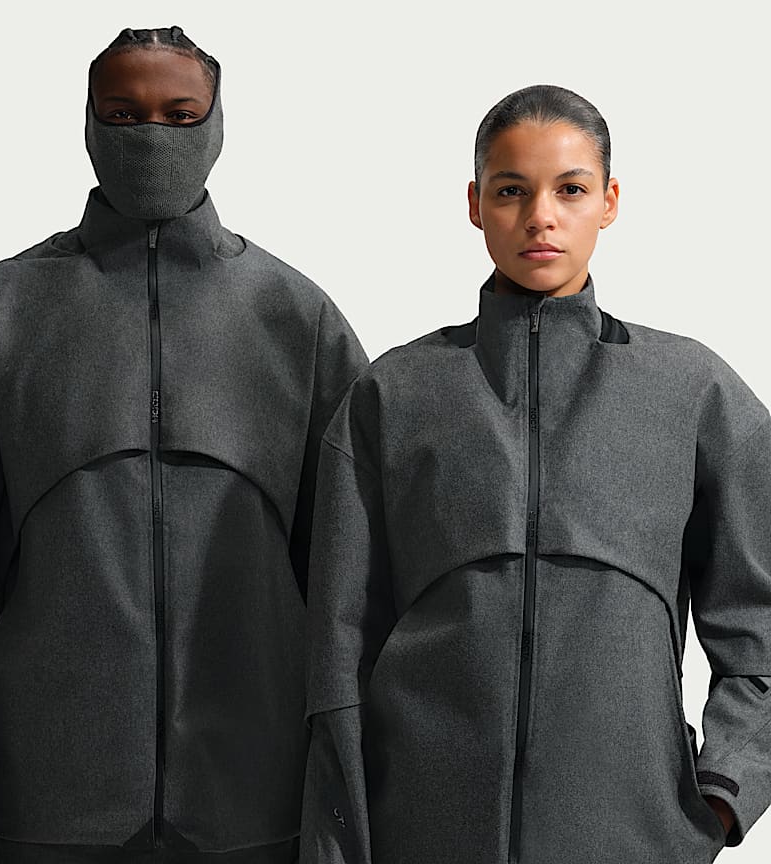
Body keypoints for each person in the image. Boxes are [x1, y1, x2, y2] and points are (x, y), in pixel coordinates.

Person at [0, 25, 367, 864]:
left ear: (218, 122)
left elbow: (354, 593)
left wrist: (344, 799)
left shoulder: (297, 321)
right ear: (87, 122)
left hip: (257, 801)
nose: (151, 136)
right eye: (123, 114)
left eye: (179, 114)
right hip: (49, 801)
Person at [300, 83, 771, 863]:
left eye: (570, 190)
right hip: (424, 831)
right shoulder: (395, 394)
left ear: (609, 201)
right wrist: (342, 833)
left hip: (626, 834)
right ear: (475, 203)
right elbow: (338, 647)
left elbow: (760, 623)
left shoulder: (692, 392)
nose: (540, 217)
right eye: (511, 190)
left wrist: (724, 792)